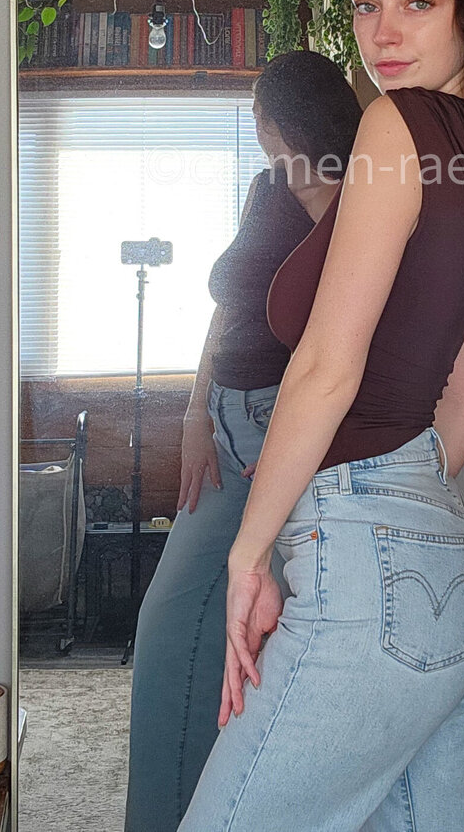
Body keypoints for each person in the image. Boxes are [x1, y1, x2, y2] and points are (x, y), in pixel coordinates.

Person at [177, 0, 464, 832]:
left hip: (375, 568)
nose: (383, 33)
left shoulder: (399, 130)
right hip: (462, 574)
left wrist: (250, 553)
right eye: (366, 5)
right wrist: (420, 521)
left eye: (418, 2)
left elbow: (327, 367)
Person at [125, 50, 364, 832]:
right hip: (225, 427)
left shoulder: (357, 199)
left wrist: (300, 440)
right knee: (169, 625)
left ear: (274, 119)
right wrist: (195, 414)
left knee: (271, 650)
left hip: (284, 434)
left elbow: (349, 348)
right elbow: (226, 308)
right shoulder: (266, 188)